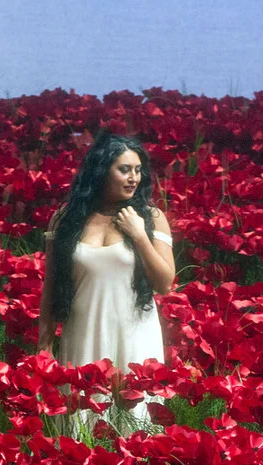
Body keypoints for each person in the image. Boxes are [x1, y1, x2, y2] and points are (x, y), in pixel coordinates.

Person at [37, 131, 176, 434]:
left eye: (138, 170)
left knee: (135, 427)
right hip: (83, 332)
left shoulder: (151, 218)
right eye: (124, 169)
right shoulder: (66, 220)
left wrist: (139, 236)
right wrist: (45, 345)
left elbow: (165, 283)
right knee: (79, 428)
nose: (133, 178)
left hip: (135, 335)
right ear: (101, 170)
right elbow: (50, 286)